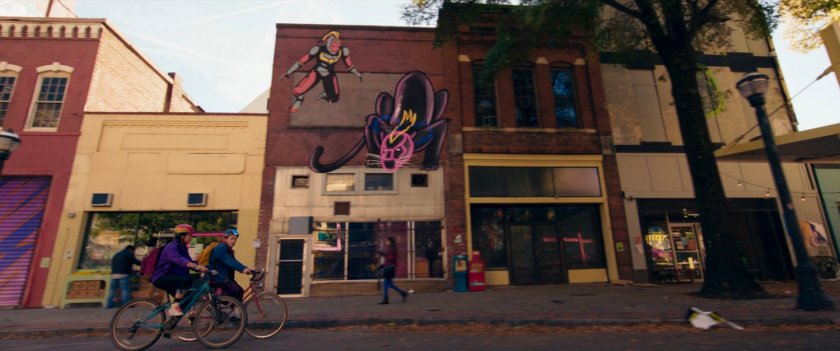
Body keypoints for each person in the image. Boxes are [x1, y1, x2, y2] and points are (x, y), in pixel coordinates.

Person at [280, 30, 363, 112]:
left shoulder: (343, 51)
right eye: (333, 46)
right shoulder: (317, 49)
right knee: (297, 91)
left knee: (334, 98)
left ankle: (326, 94)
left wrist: (358, 74)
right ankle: (300, 99)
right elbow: (301, 62)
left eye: (336, 47)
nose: (334, 50)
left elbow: (350, 66)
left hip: (330, 74)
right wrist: (289, 72)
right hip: (317, 72)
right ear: (328, 43)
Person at [152, 224, 208, 317]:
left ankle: (171, 323)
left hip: (174, 277)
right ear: (182, 236)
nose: (191, 238)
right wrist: (196, 267)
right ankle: (174, 307)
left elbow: (189, 262)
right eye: (189, 235)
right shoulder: (171, 247)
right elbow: (180, 260)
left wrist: (202, 268)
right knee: (186, 280)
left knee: (188, 298)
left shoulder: (183, 248)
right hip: (162, 277)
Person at [209, 229, 254, 301]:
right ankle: (213, 304)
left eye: (235, 239)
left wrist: (246, 268)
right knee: (234, 290)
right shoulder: (220, 249)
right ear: (225, 239)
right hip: (218, 279)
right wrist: (243, 269)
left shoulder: (229, 250)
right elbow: (230, 262)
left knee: (240, 292)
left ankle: (238, 310)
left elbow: (234, 262)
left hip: (226, 278)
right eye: (231, 239)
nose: (234, 241)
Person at [378, 237, 408, 305]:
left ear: (390, 241)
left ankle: (386, 299)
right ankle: (403, 293)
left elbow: (391, 259)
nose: (386, 242)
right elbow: (388, 259)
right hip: (388, 267)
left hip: (389, 268)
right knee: (390, 284)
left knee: (386, 283)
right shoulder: (390, 249)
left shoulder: (393, 249)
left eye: (387, 241)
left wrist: (384, 255)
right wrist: (382, 264)